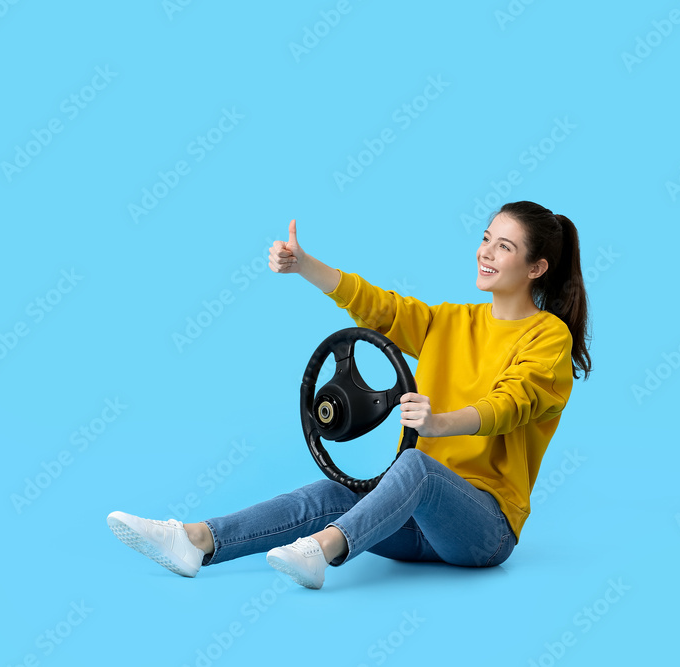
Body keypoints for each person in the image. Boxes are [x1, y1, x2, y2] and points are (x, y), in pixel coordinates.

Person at [107, 200, 592, 589]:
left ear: (536, 268)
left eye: (504, 247)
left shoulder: (548, 337)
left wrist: (440, 422)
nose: (486, 252)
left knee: (415, 466)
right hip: (415, 520)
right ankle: (196, 541)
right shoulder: (452, 321)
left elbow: (511, 403)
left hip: (483, 530)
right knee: (333, 492)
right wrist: (304, 265)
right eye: (486, 238)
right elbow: (378, 307)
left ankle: (324, 550)